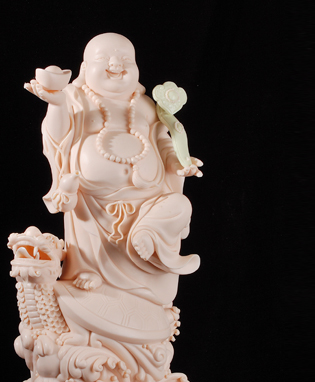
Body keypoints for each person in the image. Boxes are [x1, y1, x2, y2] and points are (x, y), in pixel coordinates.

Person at [24, 33, 202, 307]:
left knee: (181, 205)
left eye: (126, 59)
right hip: (95, 199)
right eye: (104, 59)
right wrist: (56, 103)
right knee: (89, 236)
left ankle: (147, 232)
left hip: (147, 196)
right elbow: (58, 136)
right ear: (85, 68)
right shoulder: (76, 97)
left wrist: (178, 162)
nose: (116, 64)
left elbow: (162, 141)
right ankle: (90, 271)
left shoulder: (146, 106)